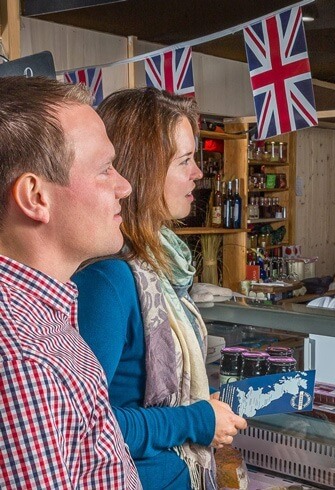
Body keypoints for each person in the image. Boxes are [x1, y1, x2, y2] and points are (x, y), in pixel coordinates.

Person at [72, 88, 247, 489]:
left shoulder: (159, 267)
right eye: (185, 161)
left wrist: (201, 410)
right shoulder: (109, 280)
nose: (198, 173)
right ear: (143, 170)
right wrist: (196, 420)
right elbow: (86, 425)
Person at [0, 76, 140, 488]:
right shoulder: (23, 362)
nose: (124, 186)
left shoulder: (44, 316)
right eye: (104, 169)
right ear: (35, 198)